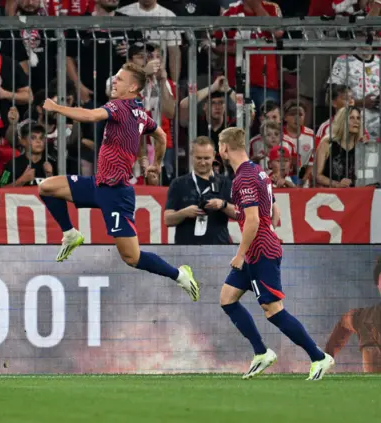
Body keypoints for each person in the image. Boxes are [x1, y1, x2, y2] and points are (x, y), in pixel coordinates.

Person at [38, 62, 199, 301]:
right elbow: (161, 136)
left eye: (120, 79)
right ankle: (70, 233)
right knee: (46, 187)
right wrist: (157, 163)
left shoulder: (120, 107)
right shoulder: (140, 113)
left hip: (116, 194)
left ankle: (180, 275)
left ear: (133, 87)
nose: (114, 81)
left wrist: (57, 107)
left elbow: (91, 115)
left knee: (132, 258)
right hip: (98, 184)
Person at [217, 127, 334, 380]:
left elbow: (253, 221)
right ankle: (261, 353)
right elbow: (272, 209)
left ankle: (319, 357)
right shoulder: (258, 171)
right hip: (258, 249)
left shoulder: (243, 178)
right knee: (227, 298)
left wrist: (240, 254)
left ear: (224, 148)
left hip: (260, 251)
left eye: (219, 145)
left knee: (272, 310)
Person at [164, 136, 234, 245]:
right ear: (191, 155)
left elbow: (240, 214)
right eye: (198, 158)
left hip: (218, 249)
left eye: (206, 158)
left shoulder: (225, 183)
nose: (202, 162)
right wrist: (184, 213)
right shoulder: (178, 184)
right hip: (185, 249)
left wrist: (223, 205)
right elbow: (167, 220)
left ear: (214, 155)